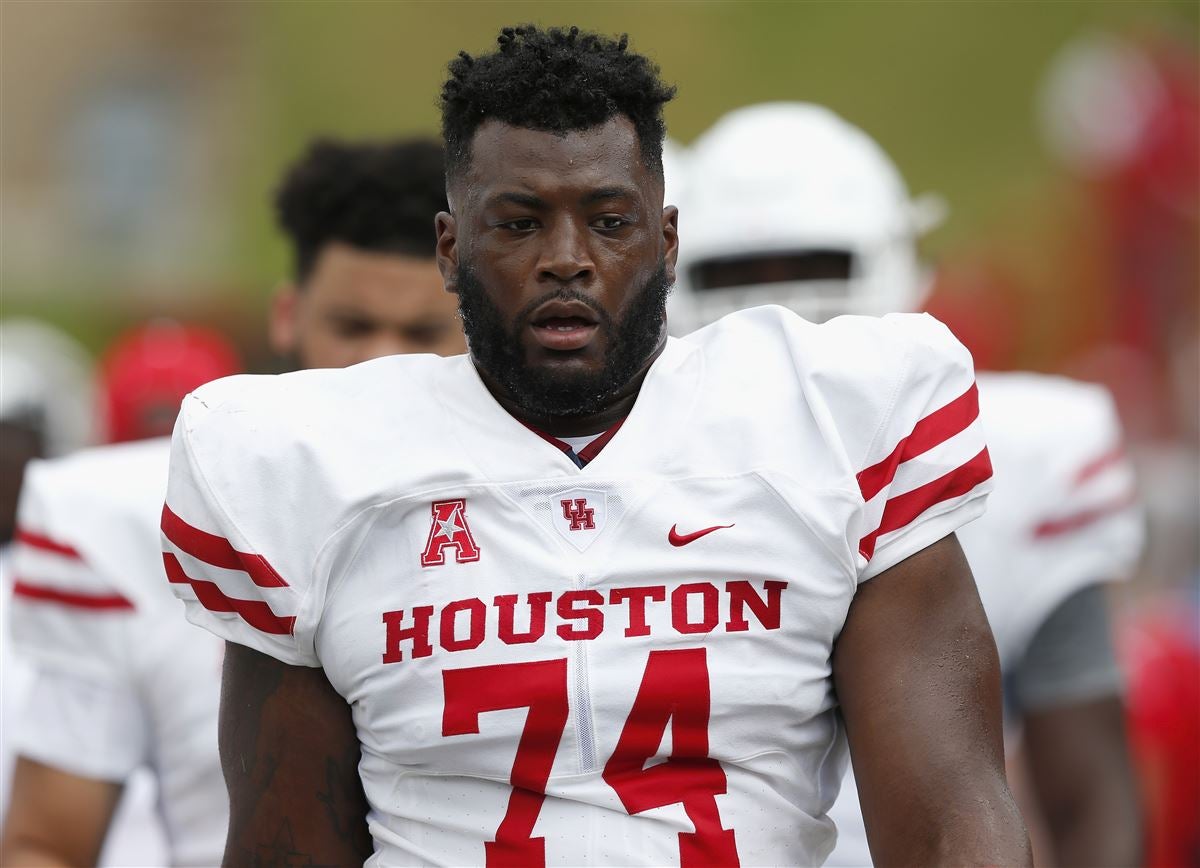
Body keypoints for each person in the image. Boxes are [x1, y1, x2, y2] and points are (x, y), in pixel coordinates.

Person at [163, 26, 1030, 866]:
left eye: (609, 221)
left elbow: (954, 822)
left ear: (668, 239)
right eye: (519, 223)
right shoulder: (311, 469)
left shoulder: (834, 423)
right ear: (451, 246)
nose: (566, 259)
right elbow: (287, 848)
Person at [672, 102, 1144, 866]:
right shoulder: (626, 461)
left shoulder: (1031, 452)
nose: (785, 311)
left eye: (815, 266)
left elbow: (1086, 790)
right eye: (743, 276)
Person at [0, 137, 461, 866]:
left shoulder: (548, 505)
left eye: (420, 332)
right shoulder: (128, 520)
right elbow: (47, 843)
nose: (382, 362)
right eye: (352, 326)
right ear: (287, 316)